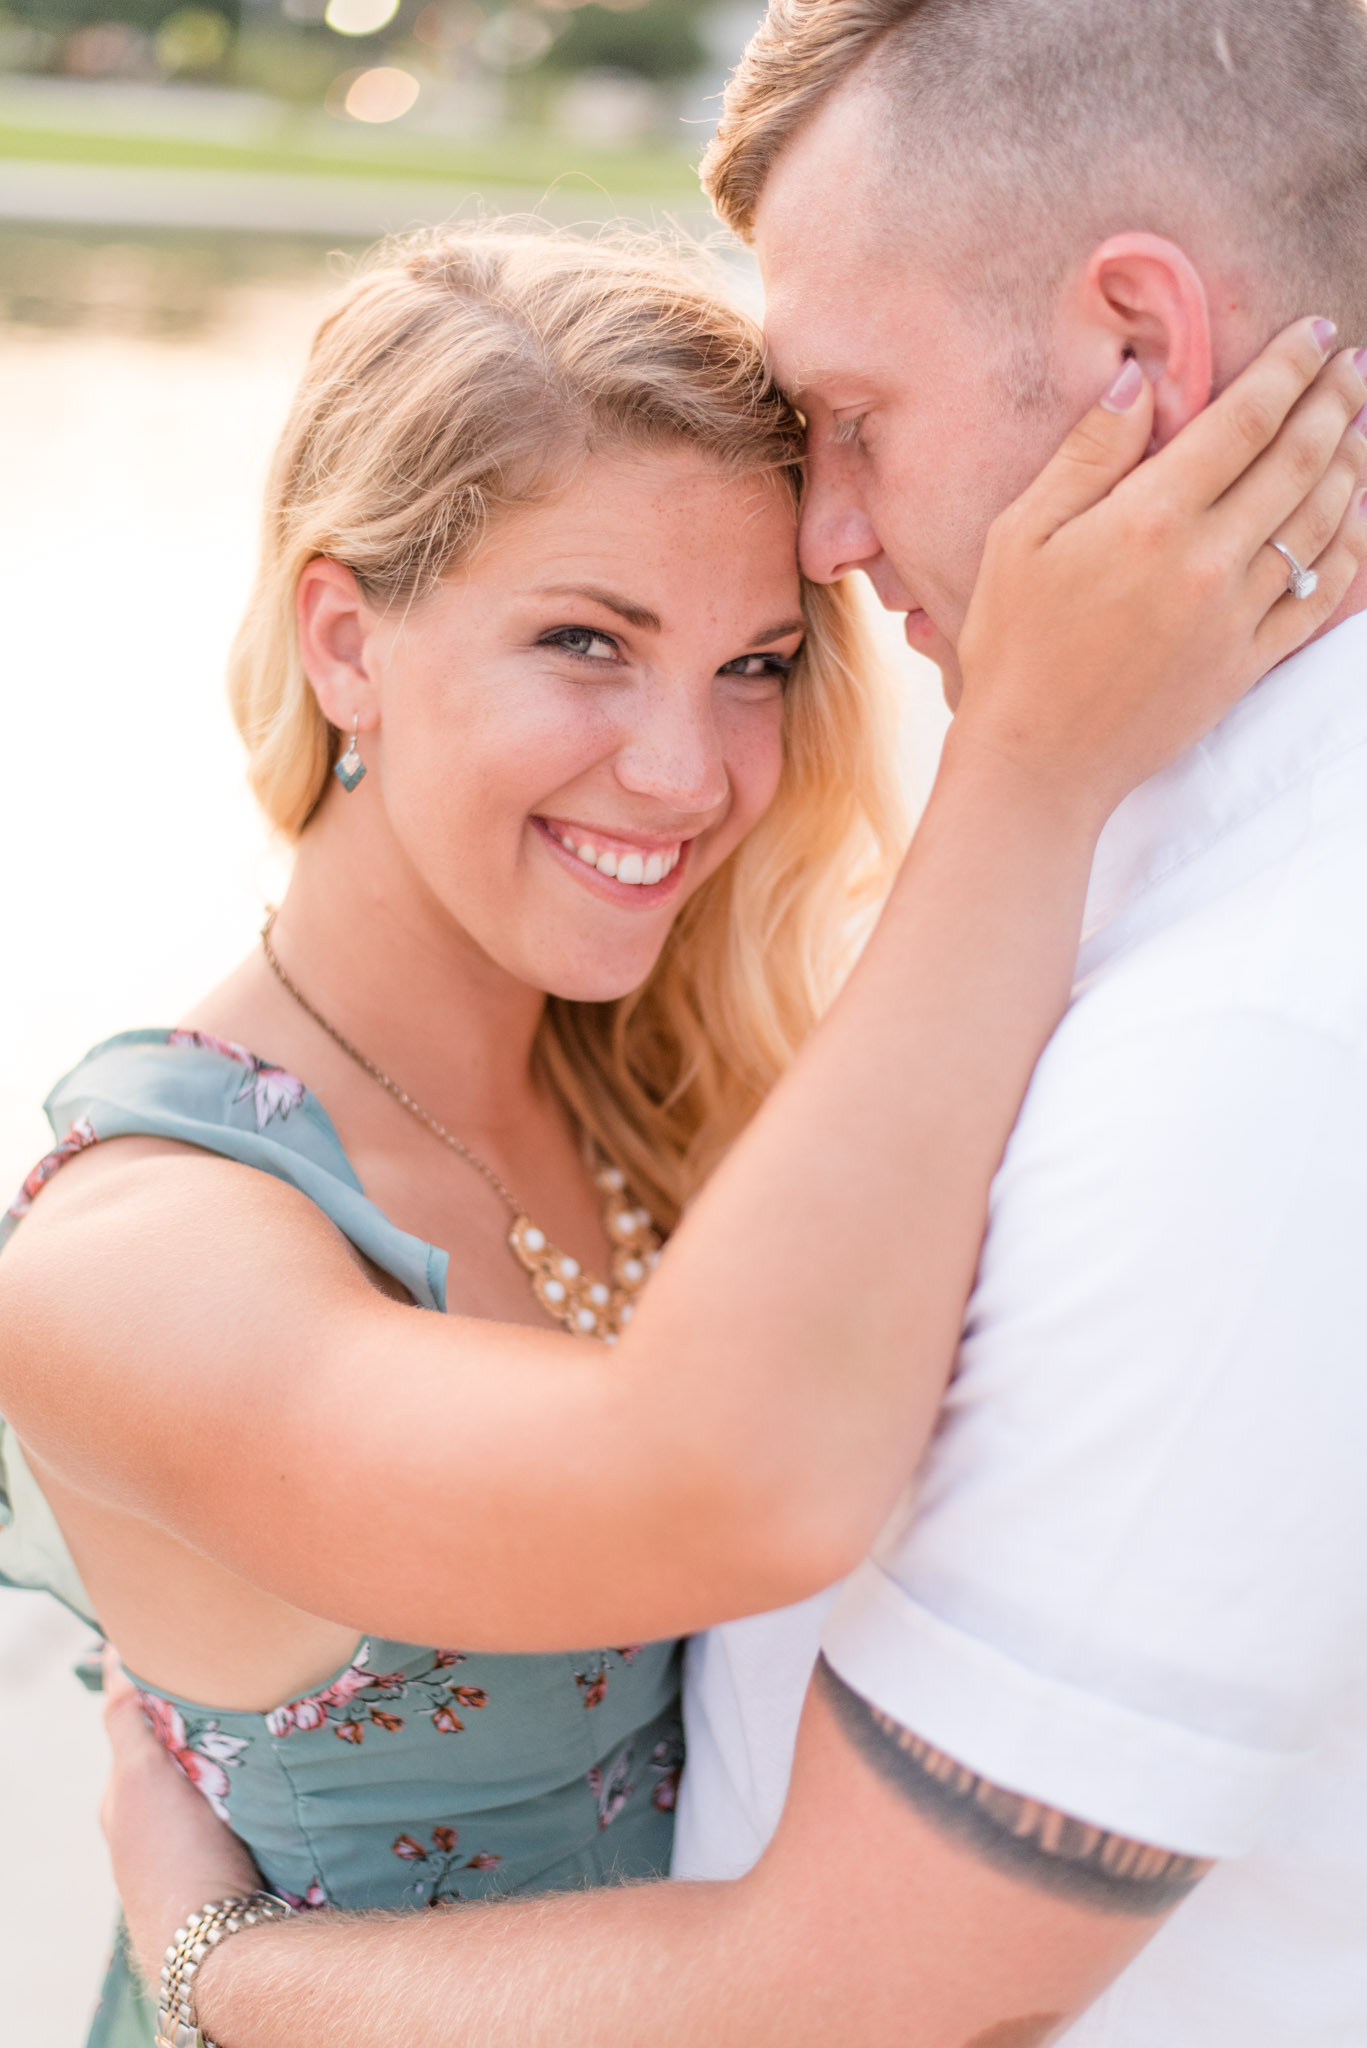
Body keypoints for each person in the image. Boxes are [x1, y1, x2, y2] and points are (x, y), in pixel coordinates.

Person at [91, 2, 1367, 2046]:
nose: (686, 773)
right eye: (582, 641)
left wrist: (237, 1967)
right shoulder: (132, 1255)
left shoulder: (693, 1095)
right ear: (350, 639)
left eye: (763, 659)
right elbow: (729, 1481)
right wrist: (1023, 766)